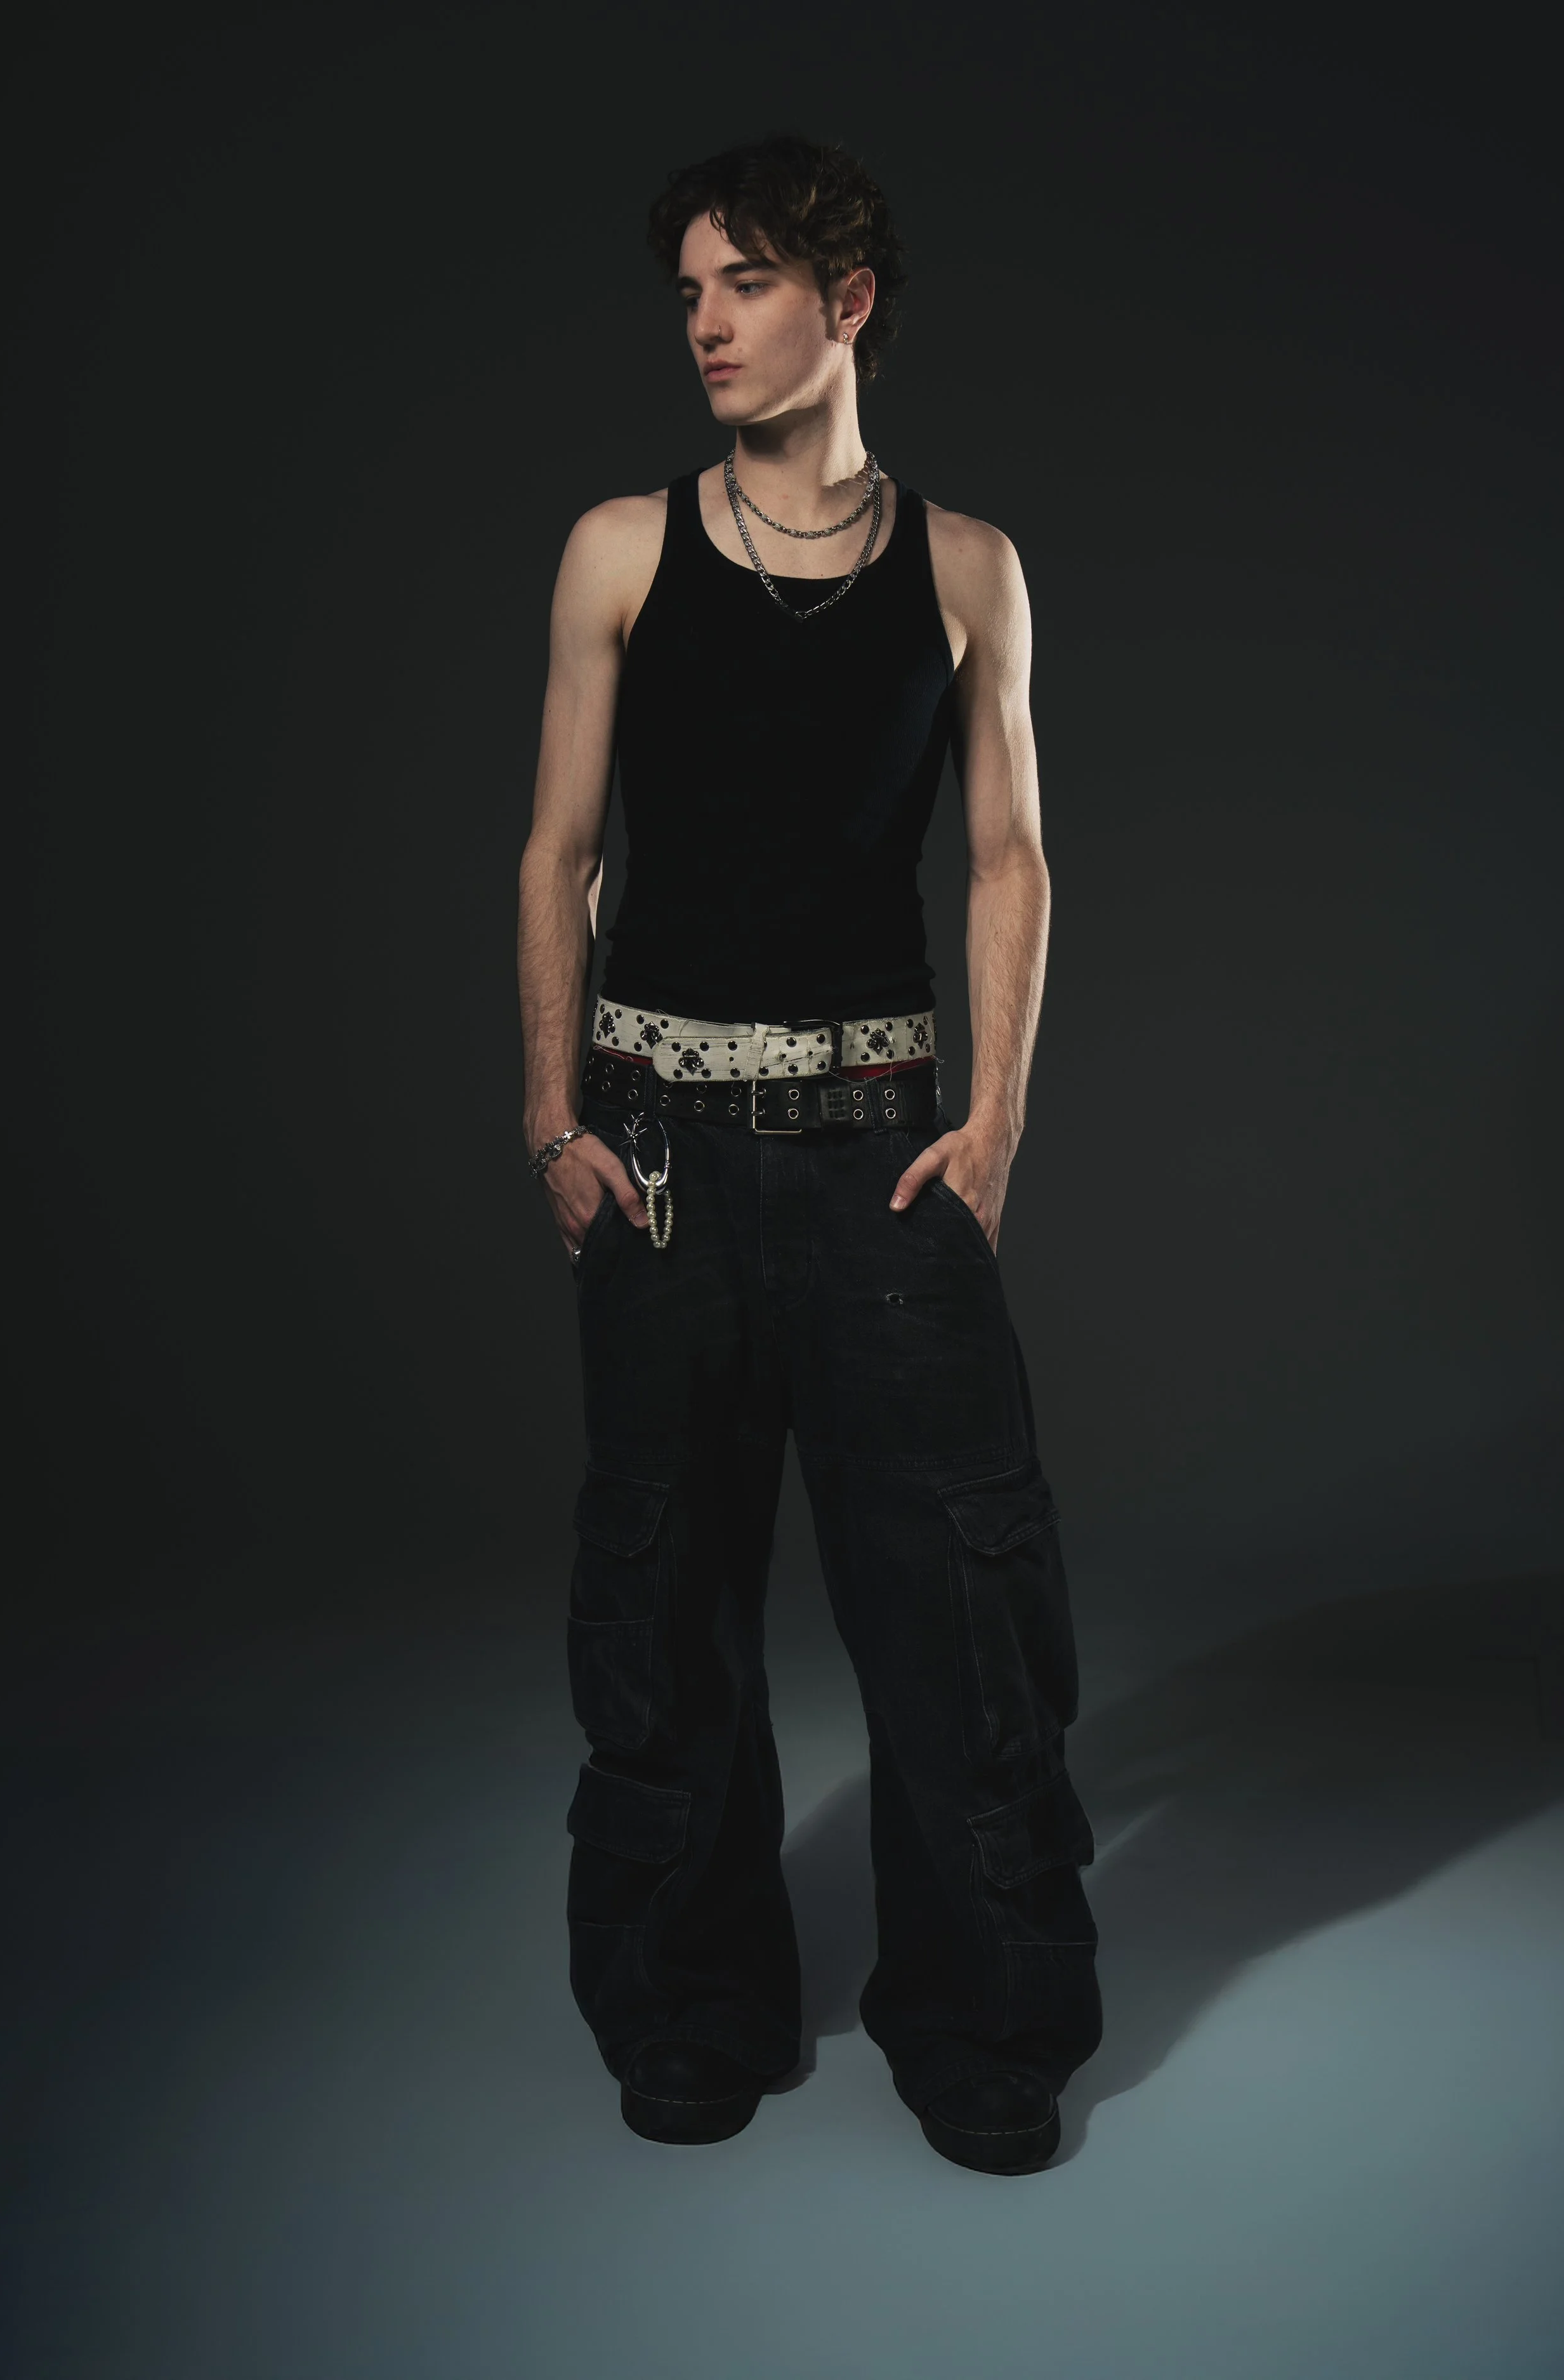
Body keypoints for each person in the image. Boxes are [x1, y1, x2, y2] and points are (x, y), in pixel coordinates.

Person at [516, 131, 1103, 2176]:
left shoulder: (966, 566)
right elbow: (559, 852)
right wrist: (550, 1112)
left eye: (743, 282)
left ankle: (984, 2019)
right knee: (658, 1601)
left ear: (845, 303)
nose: (703, 321)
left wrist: (996, 1120)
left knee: (959, 1603)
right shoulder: (618, 548)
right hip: (660, 1157)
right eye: (686, 288)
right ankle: (690, 2000)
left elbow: (1012, 854)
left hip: (879, 1159)